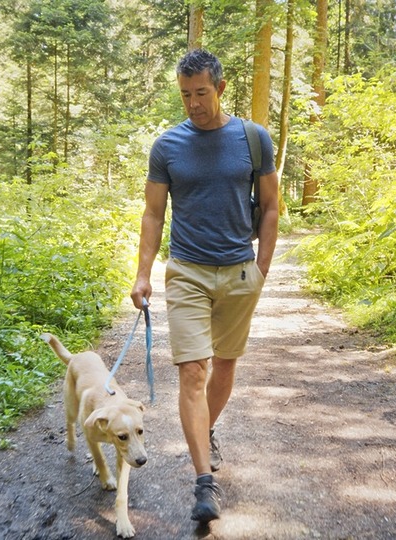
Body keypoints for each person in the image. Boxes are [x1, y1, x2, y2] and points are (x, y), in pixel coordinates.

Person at [130, 48, 279, 524]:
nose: (192, 103)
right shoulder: (167, 146)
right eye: (184, 95)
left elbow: (272, 207)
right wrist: (142, 273)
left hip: (238, 272)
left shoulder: (253, 139)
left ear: (220, 87)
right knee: (193, 371)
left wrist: (262, 268)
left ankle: (205, 429)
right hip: (188, 272)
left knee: (225, 365)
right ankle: (203, 482)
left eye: (200, 93)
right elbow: (154, 214)